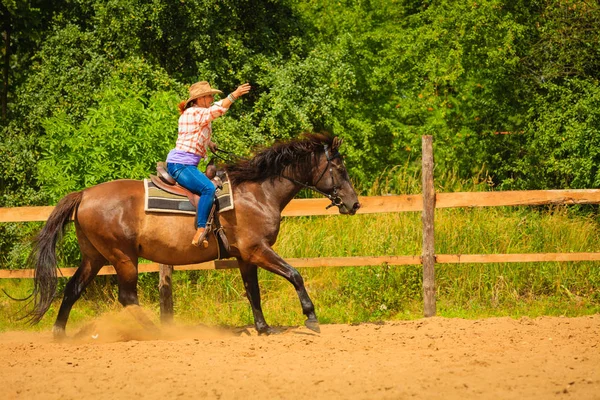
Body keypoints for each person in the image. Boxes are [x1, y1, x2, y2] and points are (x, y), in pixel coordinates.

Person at [166, 81, 251, 247]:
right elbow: (217, 110)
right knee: (208, 188)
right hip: (181, 165)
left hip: (184, 163)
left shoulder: (196, 112)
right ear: (200, 99)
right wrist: (235, 94)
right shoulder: (195, 113)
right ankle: (200, 230)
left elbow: (196, 132)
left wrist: (209, 143)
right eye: (210, 95)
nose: (212, 98)